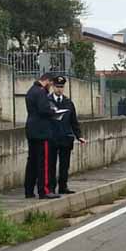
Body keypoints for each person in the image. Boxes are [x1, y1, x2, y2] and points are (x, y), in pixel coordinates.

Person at [24, 72, 61, 200]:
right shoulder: (41, 92)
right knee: (43, 163)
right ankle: (44, 191)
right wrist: (54, 112)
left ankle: (28, 190)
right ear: (47, 81)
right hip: (41, 131)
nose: (50, 87)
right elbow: (44, 110)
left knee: (32, 161)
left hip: (31, 130)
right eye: (51, 84)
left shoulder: (31, 91)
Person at [48, 75, 86, 195]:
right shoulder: (47, 101)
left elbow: (74, 121)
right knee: (51, 165)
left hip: (65, 137)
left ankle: (63, 186)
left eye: (61, 87)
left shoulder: (68, 102)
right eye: (57, 87)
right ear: (53, 87)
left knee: (65, 165)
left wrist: (78, 135)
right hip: (52, 137)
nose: (59, 89)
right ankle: (51, 188)